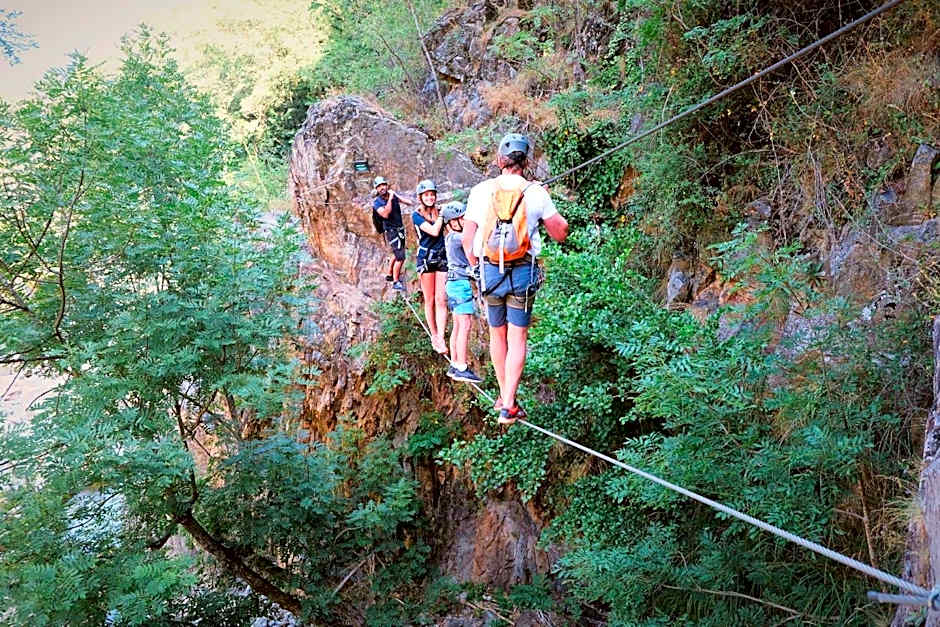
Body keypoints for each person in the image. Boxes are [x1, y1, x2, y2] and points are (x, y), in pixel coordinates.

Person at [462, 133, 569, 424]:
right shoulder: (536, 192)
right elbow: (561, 232)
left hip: (489, 272)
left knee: (497, 333)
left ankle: (504, 397)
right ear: (527, 162)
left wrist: (476, 267)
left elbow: (467, 239)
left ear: (500, 160)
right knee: (517, 335)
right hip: (522, 271)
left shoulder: (481, 191)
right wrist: (543, 199)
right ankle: (508, 403)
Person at [440, 200, 483, 384]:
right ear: (451, 222)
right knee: (464, 325)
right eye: (460, 219)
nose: (464, 221)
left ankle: (455, 364)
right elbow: (473, 238)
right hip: (460, 285)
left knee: (458, 325)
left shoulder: (450, 238)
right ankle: (462, 367)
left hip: (453, 284)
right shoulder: (457, 238)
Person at [411, 179, 449, 354]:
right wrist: (441, 216)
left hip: (441, 256)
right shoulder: (416, 215)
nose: (430, 198)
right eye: (426, 195)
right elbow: (433, 231)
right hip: (426, 258)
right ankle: (434, 334)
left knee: (441, 299)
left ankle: (441, 337)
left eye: (432, 195)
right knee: (430, 299)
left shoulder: (439, 211)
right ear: (421, 197)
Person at [372, 176, 413, 291]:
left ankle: (390, 274)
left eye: (383, 185)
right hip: (391, 231)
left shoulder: (392, 196)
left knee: (397, 253)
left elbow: (408, 202)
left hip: (399, 229)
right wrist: (390, 198)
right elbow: (385, 214)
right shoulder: (377, 203)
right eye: (379, 186)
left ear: (387, 185)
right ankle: (396, 281)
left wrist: (396, 196)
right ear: (376, 189)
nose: (382, 188)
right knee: (401, 257)